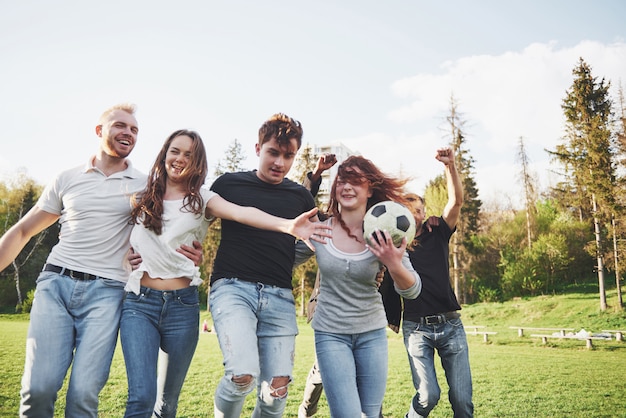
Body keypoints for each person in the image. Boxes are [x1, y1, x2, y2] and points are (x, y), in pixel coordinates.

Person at [0, 104, 193, 418]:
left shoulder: (146, 186)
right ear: (99, 130)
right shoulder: (68, 178)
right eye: (120, 125)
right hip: (55, 286)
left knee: (84, 395)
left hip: (107, 293)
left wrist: (188, 252)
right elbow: (23, 231)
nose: (128, 133)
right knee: (38, 390)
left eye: (134, 130)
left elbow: (173, 229)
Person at [119, 129, 329, 418]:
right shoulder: (140, 193)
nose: (180, 159)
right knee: (143, 397)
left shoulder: (202, 199)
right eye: (175, 151)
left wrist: (290, 226)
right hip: (146, 302)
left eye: (189, 154)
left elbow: (242, 214)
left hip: (189, 303)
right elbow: (111, 230)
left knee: (170, 405)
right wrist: (122, 258)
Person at [208, 113, 323, 417]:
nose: (280, 163)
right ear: (258, 147)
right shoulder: (228, 184)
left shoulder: (300, 196)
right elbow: (192, 222)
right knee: (241, 375)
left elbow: (317, 239)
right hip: (232, 290)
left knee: (278, 387)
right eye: (273, 152)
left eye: (289, 156)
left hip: (280, 297)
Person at [295, 155, 422, 417]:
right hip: (330, 334)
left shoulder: (385, 232)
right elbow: (279, 263)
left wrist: (394, 264)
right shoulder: (320, 229)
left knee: (370, 413)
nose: (347, 187)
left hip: (372, 335)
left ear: (370, 189)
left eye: (356, 182)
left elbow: (412, 289)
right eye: (342, 181)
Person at [382, 147, 473, 418]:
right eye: (411, 210)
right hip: (416, 328)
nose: (418, 214)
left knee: (462, 402)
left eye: (421, 209)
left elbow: (455, 202)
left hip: (451, 325)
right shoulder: (393, 247)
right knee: (427, 395)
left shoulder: (438, 232)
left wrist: (450, 166)